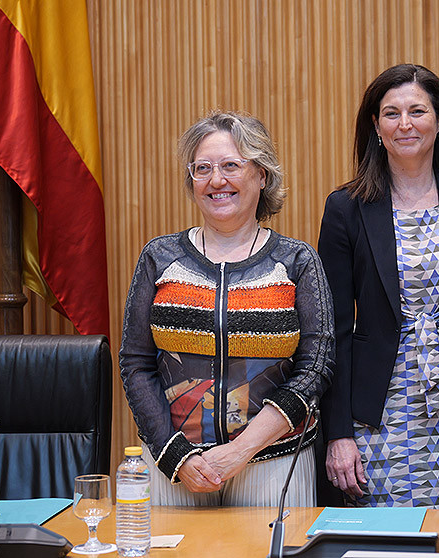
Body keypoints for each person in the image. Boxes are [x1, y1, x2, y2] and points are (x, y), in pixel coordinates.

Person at [119, 111, 334, 506]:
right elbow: (135, 362)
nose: (217, 180)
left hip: (272, 462)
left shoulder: (297, 261)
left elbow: (315, 368)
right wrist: (174, 454)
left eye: (232, 166)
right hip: (175, 467)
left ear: (262, 175)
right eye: (203, 168)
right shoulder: (160, 257)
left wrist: (241, 450)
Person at [317, 64, 439, 508]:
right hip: (378, 415)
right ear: (376, 127)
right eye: (391, 113)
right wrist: (338, 432)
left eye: (417, 111)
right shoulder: (346, 208)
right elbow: (333, 332)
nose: (404, 124)